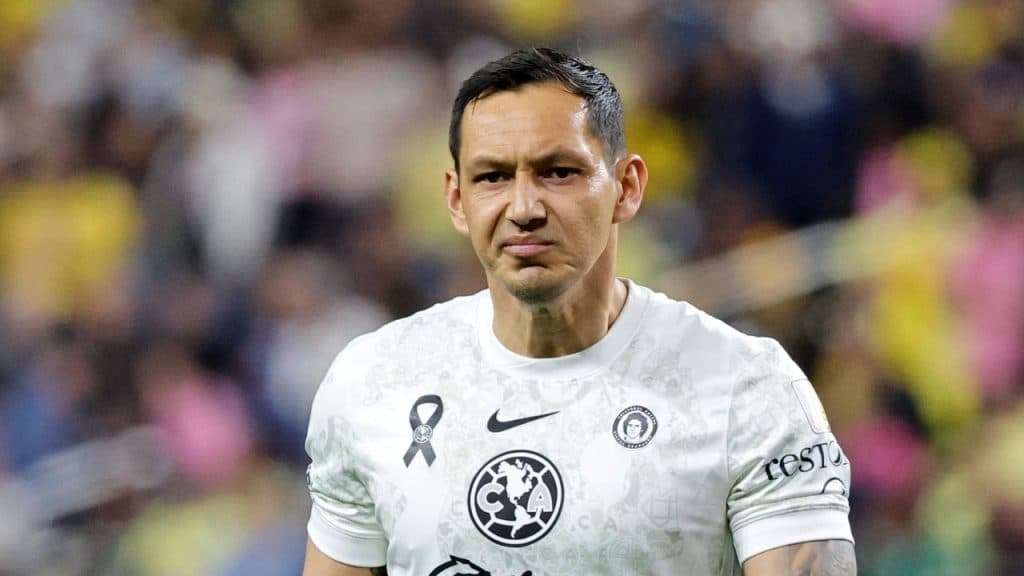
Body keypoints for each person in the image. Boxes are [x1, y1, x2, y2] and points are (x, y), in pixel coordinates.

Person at [303, 47, 855, 576]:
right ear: (456, 200)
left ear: (626, 187)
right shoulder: (374, 382)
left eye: (558, 172)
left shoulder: (746, 388)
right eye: (492, 177)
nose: (524, 208)